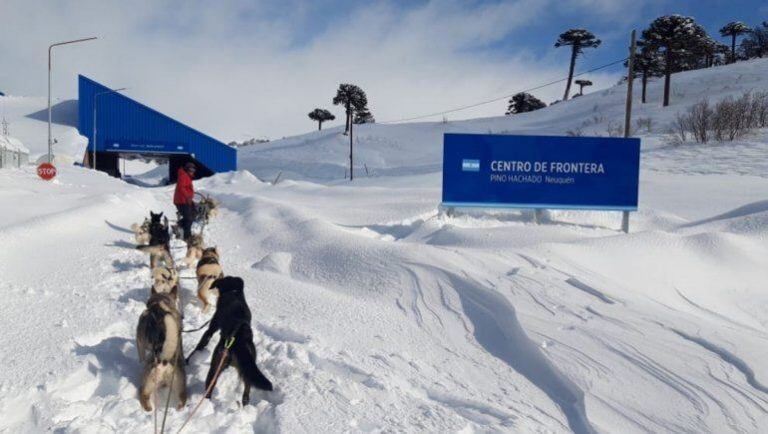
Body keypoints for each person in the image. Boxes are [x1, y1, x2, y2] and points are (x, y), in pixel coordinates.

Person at [174, 162, 196, 241]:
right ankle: (187, 237)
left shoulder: (186, 176)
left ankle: (179, 225)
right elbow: (181, 188)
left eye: (193, 169)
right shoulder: (183, 176)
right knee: (188, 219)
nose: (192, 171)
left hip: (185, 200)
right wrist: (188, 197)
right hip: (182, 201)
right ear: (187, 169)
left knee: (193, 213)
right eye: (190, 169)